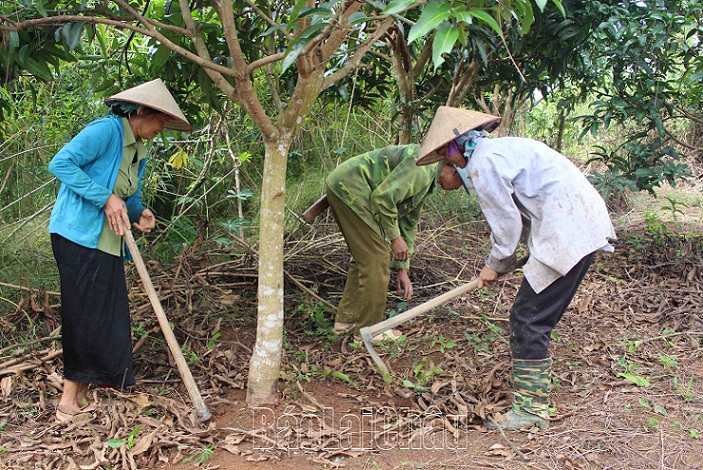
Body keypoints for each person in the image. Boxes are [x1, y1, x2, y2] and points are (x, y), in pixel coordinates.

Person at [416, 106, 616, 430]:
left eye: (444, 157)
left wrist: (495, 264)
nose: (444, 166)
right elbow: (520, 213)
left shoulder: (482, 164)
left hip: (566, 228)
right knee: (533, 314)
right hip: (577, 224)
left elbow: (506, 224)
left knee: (529, 317)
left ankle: (531, 411)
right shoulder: (497, 151)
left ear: (453, 149)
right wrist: (506, 260)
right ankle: (531, 405)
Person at [48, 79, 191, 422]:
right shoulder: (106, 132)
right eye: (161, 122)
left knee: (101, 317)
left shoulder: (139, 148)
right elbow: (61, 164)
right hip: (77, 237)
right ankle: (67, 403)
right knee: (83, 315)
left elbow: (129, 194)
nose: (161, 130)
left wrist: (138, 212)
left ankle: (83, 394)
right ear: (143, 112)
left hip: (110, 242)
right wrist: (105, 197)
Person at [325, 145, 464, 341]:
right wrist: (394, 238)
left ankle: (346, 320)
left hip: (346, 186)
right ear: (453, 168)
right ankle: (369, 332)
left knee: (366, 258)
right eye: (460, 182)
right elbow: (382, 198)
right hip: (352, 187)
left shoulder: (428, 175)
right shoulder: (424, 168)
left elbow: (408, 222)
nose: (457, 188)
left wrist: (403, 268)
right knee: (377, 257)